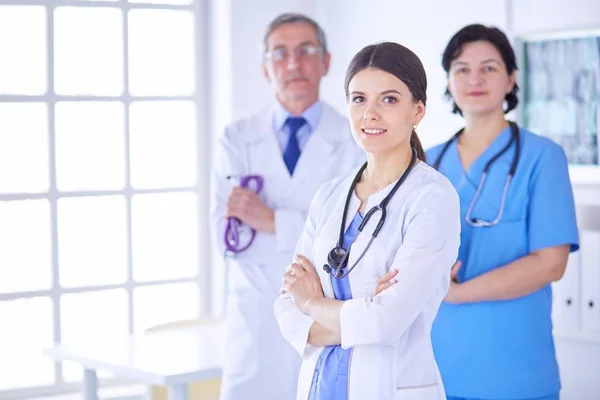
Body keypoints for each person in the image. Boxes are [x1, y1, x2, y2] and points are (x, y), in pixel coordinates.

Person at [274, 41, 461, 400]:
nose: (370, 113)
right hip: (319, 387)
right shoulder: (330, 195)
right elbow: (285, 307)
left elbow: (386, 322)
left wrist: (313, 304)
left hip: (391, 387)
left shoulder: (432, 198)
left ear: (418, 110)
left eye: (388, 100)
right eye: (359, 99)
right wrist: (360, 314)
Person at [209, 13, 364, 400]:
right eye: (280, 54)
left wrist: (268, 219)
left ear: (326, 62)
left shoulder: (353, 138)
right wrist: (304, 230)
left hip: (323, 309)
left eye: (306, 51)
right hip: (255, 314)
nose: (294, 63)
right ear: (265, 68)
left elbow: (350, 238)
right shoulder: (237, 138)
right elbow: (227, 237)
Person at [427, 24, 580, 400]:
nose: (474, 78)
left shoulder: (542, 157)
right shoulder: (425, 164)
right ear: (448, 81)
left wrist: (457, 294)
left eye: (489, 68)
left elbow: (550, 263)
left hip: (514, 370)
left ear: (511, 78)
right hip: (434, 369)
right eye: (462, 69)